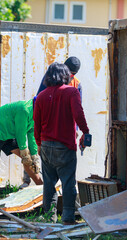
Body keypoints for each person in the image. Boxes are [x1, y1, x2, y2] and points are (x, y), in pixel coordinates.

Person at [33, 62, 90, 225]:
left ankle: (49, 218)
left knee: (49, 185)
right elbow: (79, 114)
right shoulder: (71, 92)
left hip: (46, 145)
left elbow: (36, 123)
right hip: (65, 146)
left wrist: (38, 143)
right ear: (66, 76)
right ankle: (68, 219)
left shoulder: (41, 96)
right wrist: (85, 132)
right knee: (68, 184)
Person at [20, 56, 82, 189]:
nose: (70, 76)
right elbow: (38, 99)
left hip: (63, 126)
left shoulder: (77, 84)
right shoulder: (51, 78)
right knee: (35, 148)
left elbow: (77, 109)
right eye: (69, 73)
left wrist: (75, 129)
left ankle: (63, 188)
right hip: (48, 122)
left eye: (73, 74)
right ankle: (28, 180)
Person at [0, 99, 43, 202]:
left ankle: (42, 189)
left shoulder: (36, 115)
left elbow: (31, 135)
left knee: (28, 161)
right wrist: (25, 153)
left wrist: (34, 156)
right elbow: (20, 133)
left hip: (7, 134)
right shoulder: (24, 110)